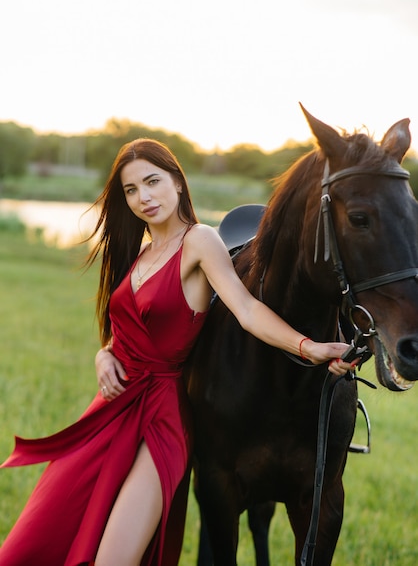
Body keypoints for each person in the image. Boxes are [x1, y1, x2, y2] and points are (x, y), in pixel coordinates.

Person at [0, 138, 355, 566]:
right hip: (112, 412)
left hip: (160, 420)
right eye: (131, 190)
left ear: (178, 184)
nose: (143, 197)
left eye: (152, 182)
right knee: (43, 534)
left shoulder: (200, 241)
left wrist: (308, 346)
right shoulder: (140, 251)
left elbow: (245, 309)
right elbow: (127, 329)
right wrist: (103, 355)